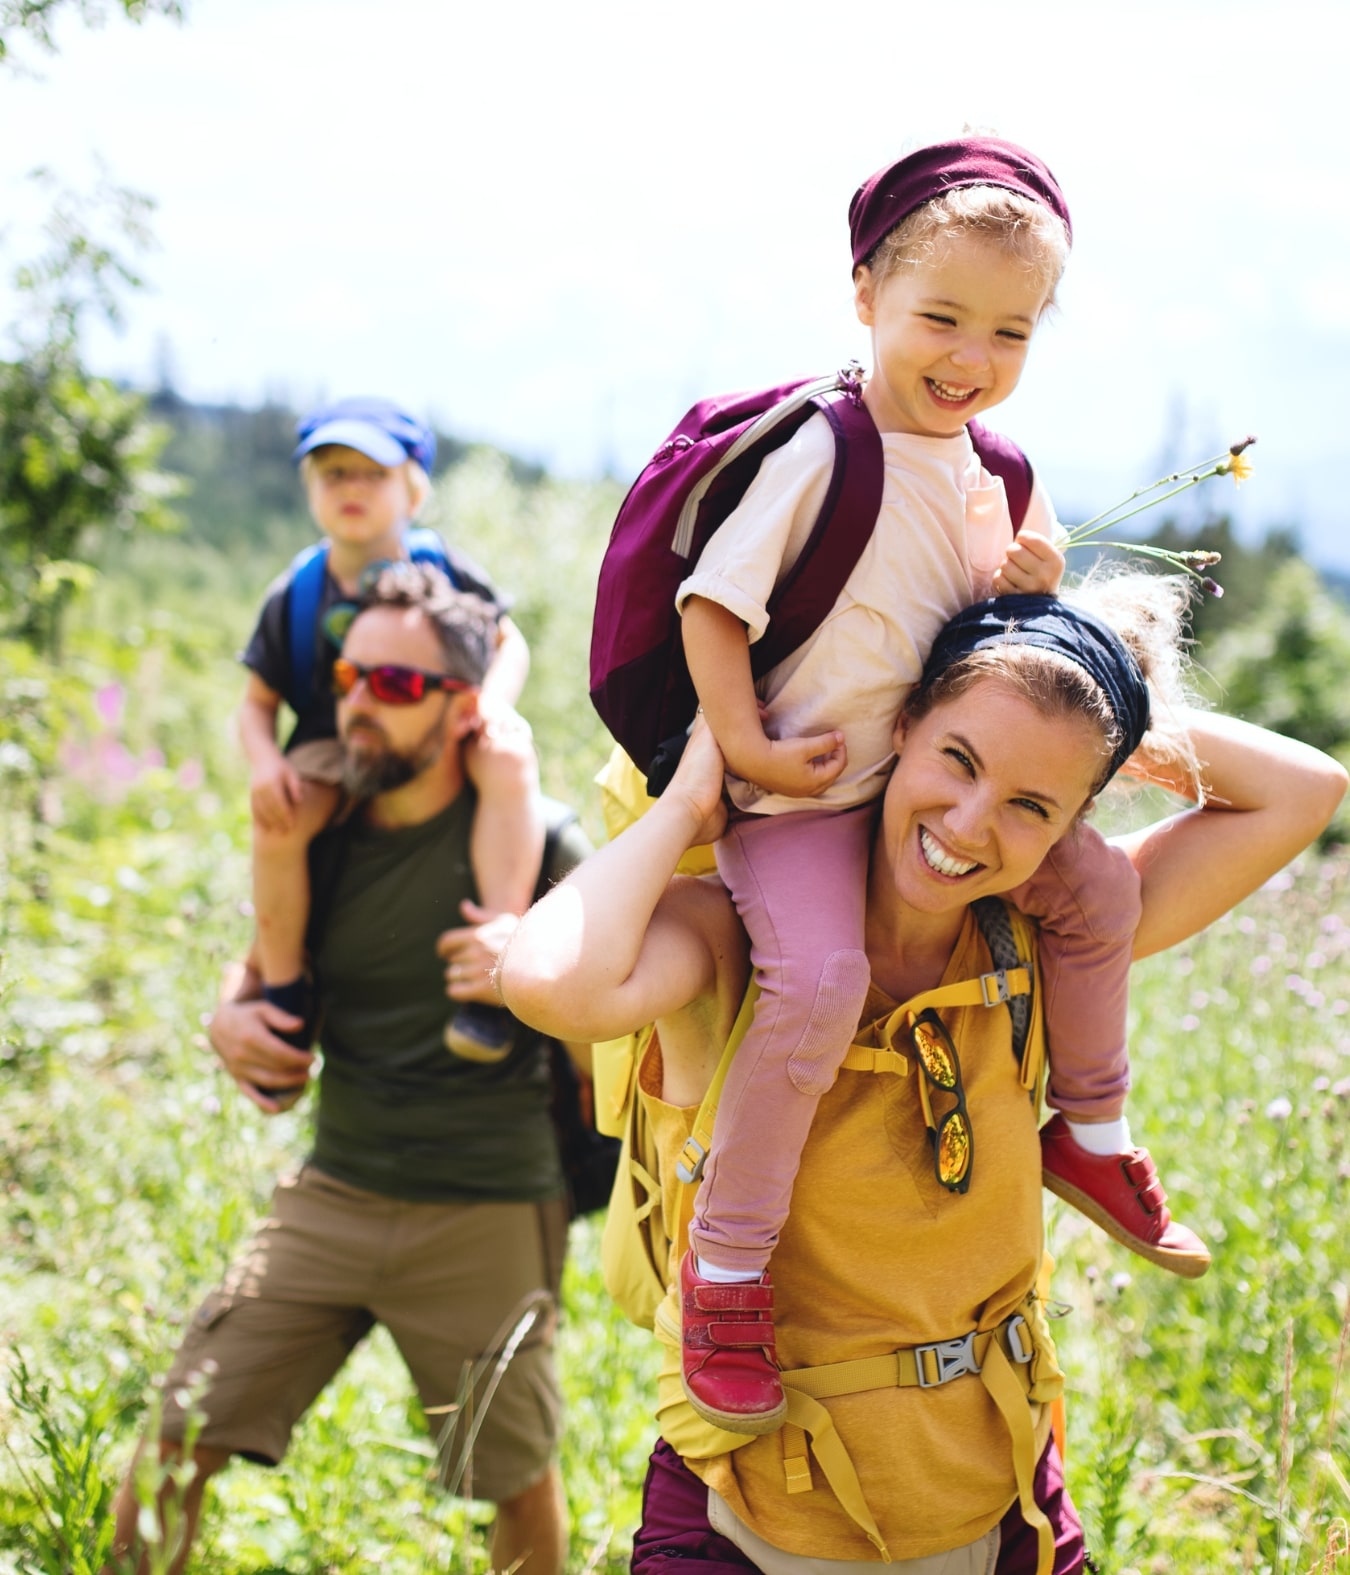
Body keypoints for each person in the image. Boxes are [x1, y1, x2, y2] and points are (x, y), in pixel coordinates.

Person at [502, 576, 1347, 1573]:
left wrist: (1090, 692)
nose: (972, 824)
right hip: (746, 1517)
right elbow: (549, 981)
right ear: (897, 725)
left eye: (1032, 804)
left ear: (1071, 823)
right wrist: (691, 797)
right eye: (959, 757)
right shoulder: (736, 941)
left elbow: (1306, 789)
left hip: (1002, 1510)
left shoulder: (1046, 943)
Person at [656, 136, 1201, 1429]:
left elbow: (1011, 619)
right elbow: (711, 605)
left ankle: (1092, 1125)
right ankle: (726, 1266)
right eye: (939, 318)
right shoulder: (822, 448)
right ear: (864, 297)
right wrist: (742, 748)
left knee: (1095, 895)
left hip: (918, 785)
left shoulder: (992, 470)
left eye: (1007, 333)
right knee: (820, 978)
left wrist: (1026, 579)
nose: (970, 357)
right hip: (802, 794)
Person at [110, 564, 589, 1575]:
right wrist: (225, 1024)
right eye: (349, 676)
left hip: (489, 1204)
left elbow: (623, 1027)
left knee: (514, 1477)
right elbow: (256, 980)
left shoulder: (541, 845)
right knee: (171, 1442)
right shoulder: (322, 831)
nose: (360, 703)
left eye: (398, 685)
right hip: (335, 1190)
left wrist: (537, 982)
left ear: (465, 709)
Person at [240, 396, 543, 1064]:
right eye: (332, 473)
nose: (351, 489)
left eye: (371, 474)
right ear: (309, 488)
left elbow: (507, 641)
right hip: (331, 739)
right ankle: (285, 987)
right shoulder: (296, 591)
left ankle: (493, 952)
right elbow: (257, 701)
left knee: (509, 761)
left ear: (413, 488)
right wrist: (266, 764)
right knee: (279, 823)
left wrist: (491, 704)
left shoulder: (446, 568)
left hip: (437, 725)